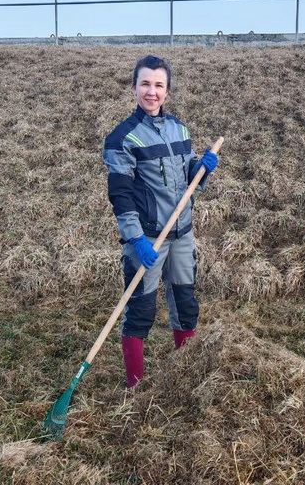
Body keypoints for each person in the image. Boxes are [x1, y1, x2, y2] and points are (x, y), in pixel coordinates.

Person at [102, 55, 219, 388]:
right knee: (140, 312)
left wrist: (202, 169)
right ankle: (135, 387)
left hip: (181, 235)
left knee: (185, 304)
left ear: (167, 90)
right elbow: (121, 195)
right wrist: (135, 239)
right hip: (148, 239)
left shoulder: (179, 129)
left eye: (158, 85)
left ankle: (184, 377)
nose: (151, 92)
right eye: (145, 84)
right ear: (134, 86)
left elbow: (187, 179)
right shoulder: (123, 138)